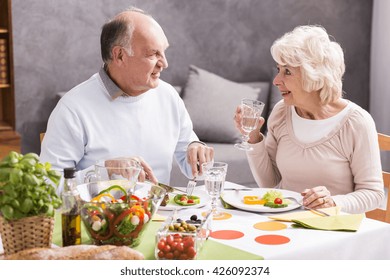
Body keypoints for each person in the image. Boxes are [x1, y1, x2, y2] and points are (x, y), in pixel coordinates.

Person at [40, 7, 213, 186]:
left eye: (164, 52)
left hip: (161, 213)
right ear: (120, 55)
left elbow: (194, 166)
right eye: (153, 54)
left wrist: (196, 150)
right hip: (100, 213)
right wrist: (104, 171)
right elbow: (48, 185)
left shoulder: (168, 96)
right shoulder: (73, 108)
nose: (164, 63)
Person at [234, 25, 384, 214]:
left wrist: (333, 202)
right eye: (278, 70)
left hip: (334, 230)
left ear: (315, 76)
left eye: (287, 72)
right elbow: (269, 183)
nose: (276, 80)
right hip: (285, 223)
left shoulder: (356, 122)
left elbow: (373, 193)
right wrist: (253, 138)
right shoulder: (281, 112)